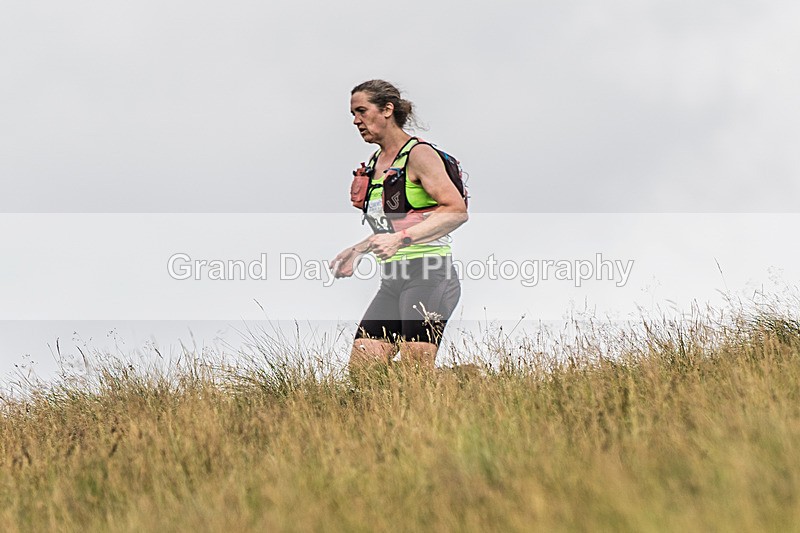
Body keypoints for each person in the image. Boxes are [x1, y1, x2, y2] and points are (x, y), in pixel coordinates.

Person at [330, 80, 468, 371]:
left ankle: (465, 386)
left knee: (415, 368)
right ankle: (460, 381)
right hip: (393, 280)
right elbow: (389, 228)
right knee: (363, 368)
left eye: (362, 111)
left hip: (430, 275)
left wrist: (402, 239)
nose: (356, 121)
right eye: (353, 114)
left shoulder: (418, 155)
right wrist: (358, 250)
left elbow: (456, 211)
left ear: (387, 110)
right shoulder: (375, 164)